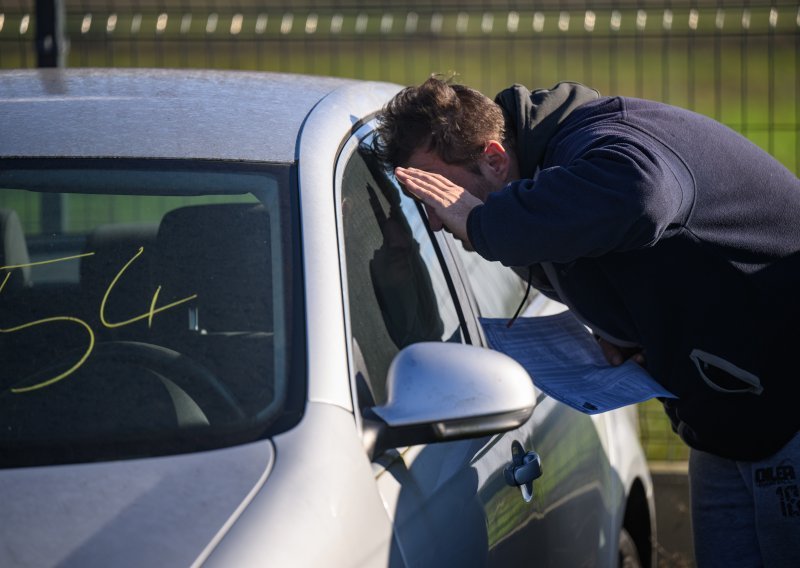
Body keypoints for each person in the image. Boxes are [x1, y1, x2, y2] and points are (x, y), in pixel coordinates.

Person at [374, 76, 800, 566]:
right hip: (726, 416)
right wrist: (625, 331)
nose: (438, 218)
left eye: (443, 193)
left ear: (494, 158)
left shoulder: (606, 140)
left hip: (785, 404)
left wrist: (481, 222)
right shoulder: (531, 185)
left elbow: (642, 194)